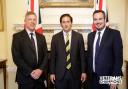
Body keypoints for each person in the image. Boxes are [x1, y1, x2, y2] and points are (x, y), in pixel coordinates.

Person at [87, 10, 123, 89]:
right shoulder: (90, 36)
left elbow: (118, 58)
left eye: (100, 19)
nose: (98, 21)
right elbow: (89, 56)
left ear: (105, 19)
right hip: (93, 78)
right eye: (95, 19)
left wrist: (115, 79)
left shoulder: (115, 34)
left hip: (109, 78)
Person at [11, 11, 48, 89]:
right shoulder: (17, 37)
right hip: (25, 78)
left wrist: (40, 70)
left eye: (34, 19)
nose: (32, 21)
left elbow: (46, 56)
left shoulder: (41, 37)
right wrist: (31, 72)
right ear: (25, 21)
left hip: (40, 78)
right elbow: (17, 58)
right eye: (29, 19)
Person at [50, 13, 87, 89]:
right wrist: (52, 72)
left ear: (71, 23)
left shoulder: (79, 37)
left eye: (68, 21)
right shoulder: (55, 38)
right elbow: (53, 57)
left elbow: (82, 56)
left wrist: (83, 71)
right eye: (63, 22)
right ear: (61, 24)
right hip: (60, 74)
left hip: (75, 74)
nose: (66, 24)